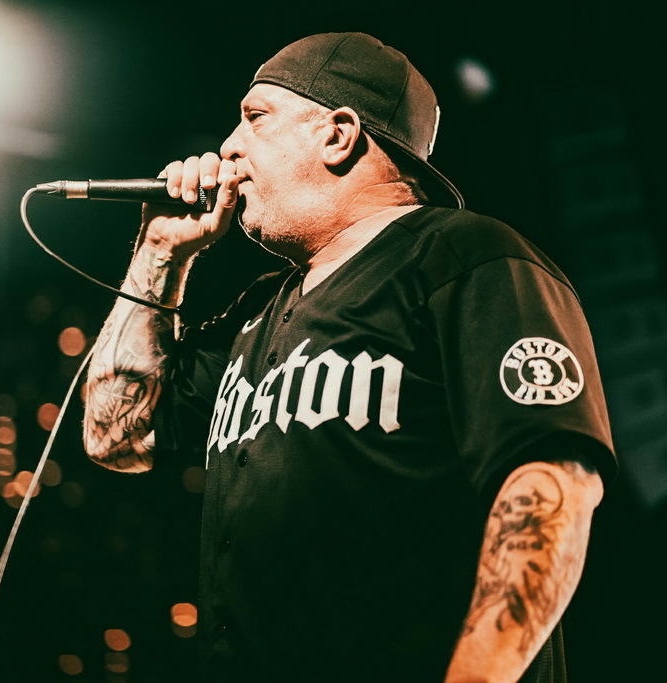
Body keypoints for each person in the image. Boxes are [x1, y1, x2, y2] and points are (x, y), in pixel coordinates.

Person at [82, 32, 616, 682]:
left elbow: (551, 483)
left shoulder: (467, 258)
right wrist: (159, 250)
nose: (228, 147)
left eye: (255, 117)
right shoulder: (256, 311)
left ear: (337, 135)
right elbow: (116, 435)